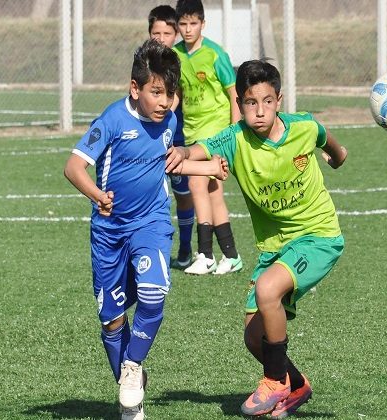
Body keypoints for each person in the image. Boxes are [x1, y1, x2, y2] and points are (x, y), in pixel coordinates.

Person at [167, 59, 348, 418]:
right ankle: (295, 384)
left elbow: (334, 147)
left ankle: (274, 381)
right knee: (254, 337)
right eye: (251, 103)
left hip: (318, 236)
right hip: (274, 246)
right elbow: (198, 149)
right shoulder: (235, 139)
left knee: (267, 291)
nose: (259, 111)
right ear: (241, 104)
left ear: (279, 99)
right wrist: (182, 154)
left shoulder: (305, 127)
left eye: (267, 101)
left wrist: (337, 158)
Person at [63, 39, 228, 420]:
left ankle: (133, 367)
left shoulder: (170, 121)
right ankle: (131, 386)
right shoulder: (112, 120)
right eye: (156, 92)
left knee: (154, 295)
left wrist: (207, 167)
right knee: (111, 321)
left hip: (151, 223)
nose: (165, 102)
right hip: (109, 232)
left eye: (170, 94)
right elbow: (73, 167)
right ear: (134, 89)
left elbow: (168, 164)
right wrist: (97, 195)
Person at [173, 0, 243, 275]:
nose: (188, 29)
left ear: (203, 23)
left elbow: (233, 94)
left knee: (196, 184)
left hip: (216, 131)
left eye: (193, 23)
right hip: (192, 131)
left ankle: (205, 254)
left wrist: (235, 131)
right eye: (183, 24)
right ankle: (232, 255)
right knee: (213, 192)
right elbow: (178, 93)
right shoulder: (177, 54)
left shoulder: (215, 54)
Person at [148, 5, 196, 269]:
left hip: (176, 138)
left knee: (183, 193)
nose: (161, 38)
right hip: (148, 138)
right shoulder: (143, 63)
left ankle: (186, 248)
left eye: (167, 33)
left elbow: (176, 97)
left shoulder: (176, 61)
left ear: (175, 34)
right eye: (156, 33)